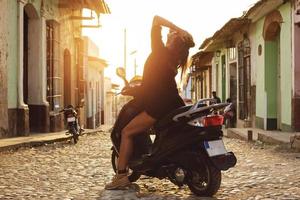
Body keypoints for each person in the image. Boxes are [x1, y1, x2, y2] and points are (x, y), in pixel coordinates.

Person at [105, 15, 195, 190]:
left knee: (127, 132)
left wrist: (177, 27)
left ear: (174, 40)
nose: (169, 32)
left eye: (172, 33)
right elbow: (155, 82)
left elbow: (155, 20)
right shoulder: (175, 59)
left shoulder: (161, 51)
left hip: (157, 105)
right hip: (171, 103)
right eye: (170, 31)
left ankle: (121, 176)